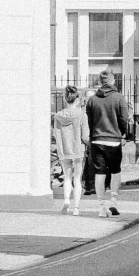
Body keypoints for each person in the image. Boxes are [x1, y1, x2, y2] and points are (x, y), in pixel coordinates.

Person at [84, 71, 133, 217]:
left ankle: (101, 207)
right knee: (115, 171)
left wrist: (92, 135)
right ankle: (113, 201)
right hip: (113, 140)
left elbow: (89, 121)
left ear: (100, 82)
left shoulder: (92, 100)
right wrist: (122, 133)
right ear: (112, 81)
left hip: (97, 140)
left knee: (99, 173)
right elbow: (124, 119)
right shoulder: (119, 98)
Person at [50, 86, 89, 216]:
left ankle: (66, 201)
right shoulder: (82, 115)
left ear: (65, 100)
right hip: (78, 150)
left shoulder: (57, 116)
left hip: (64, 150)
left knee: (67, 177)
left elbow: (55, 133)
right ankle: (76, 208)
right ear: (77, 99)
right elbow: (85, 136)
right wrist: (89, 145)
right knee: (77, 179)